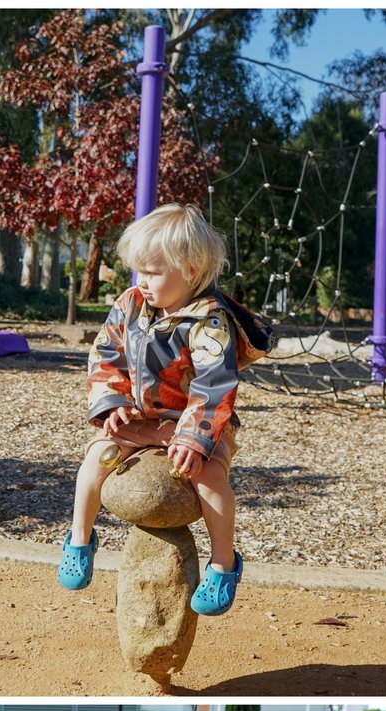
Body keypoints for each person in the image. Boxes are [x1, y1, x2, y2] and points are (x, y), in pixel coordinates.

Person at [62, 203, 257, 616]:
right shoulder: (130, 304)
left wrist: (194, 437)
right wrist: (112, 403)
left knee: (207, 478)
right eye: (139, 271)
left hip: (196, 422)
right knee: (97, 457)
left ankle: (223, 562)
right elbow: (106, 356)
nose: (142, 282)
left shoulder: (209, 321)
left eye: (153, 272)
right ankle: (80, 538)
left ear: (189, 270)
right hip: (139, 416)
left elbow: (214, 384)